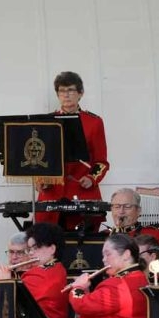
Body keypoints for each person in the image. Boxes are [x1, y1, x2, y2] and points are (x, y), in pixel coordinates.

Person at [35, 71, 109, 232]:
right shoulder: (46, 121)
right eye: (62, 91)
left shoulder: (94, 122)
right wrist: (41, 180)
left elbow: (101, 162)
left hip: (82, 192)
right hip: (51, 194)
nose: (66, 95)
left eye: (71, 90)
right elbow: (39, 159)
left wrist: (91, 178)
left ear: (80, 93)